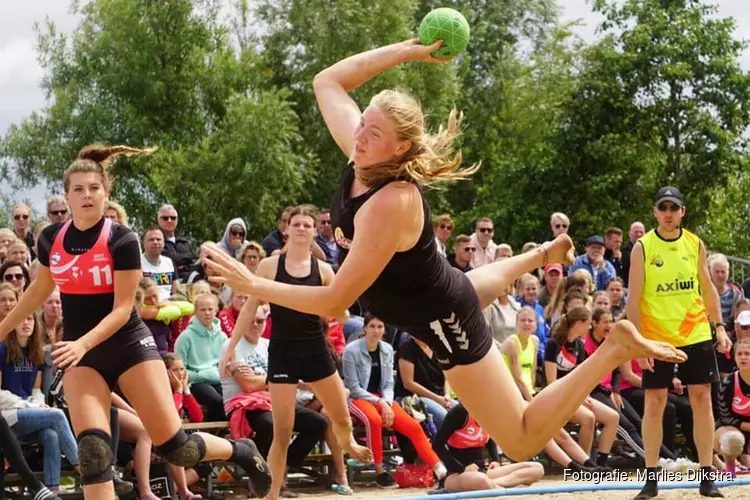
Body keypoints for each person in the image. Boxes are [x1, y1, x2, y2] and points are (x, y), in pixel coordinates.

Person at [203, 40, 685, 463]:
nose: (360, 135)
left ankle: (613, 348)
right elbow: (328, 80)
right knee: (466, 285)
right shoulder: (362, 156)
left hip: (439, 319)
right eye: (364, 123)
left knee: (519, 439)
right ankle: (540, 255)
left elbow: (334, 302)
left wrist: (254, 285)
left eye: (373, 133)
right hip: (432, 291)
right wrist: (410, 51)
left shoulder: (392, 201)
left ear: (400, 150)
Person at [0, 144, 271, 500]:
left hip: (128, 347)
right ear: (66, 196)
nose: (86, 196)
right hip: (83, 357)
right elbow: (39, 290)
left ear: (106, 192)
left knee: (177, 447)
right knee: (94, 454)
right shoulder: (51, 238)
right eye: (78, 189)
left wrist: (81, 343)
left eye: (94, 188)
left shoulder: (120, 239)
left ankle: (242, 451)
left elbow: (122, 308)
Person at [221, 206, 370, 500]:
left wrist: (339, 310)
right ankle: (272, 494)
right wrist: (230, 347)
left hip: (315, 349)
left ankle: (349, 442)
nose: (302, 228)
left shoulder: (324, 271)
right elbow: (249, 308)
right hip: (283, 352)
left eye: (307, 225)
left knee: (341, 416)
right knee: (282, 430)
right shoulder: (269, 267)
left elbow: (341, 313)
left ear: (315, 232)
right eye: (296, 224)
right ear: (286, 230)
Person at [628, 186, 731, 500]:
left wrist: (720, 327)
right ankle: (651, 479)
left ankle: (706, 477)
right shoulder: (643, 247)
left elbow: (707, 287)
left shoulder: (694, 243)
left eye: (674, 208)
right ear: (656, 212)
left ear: (682, 211)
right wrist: (639, 344)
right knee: (655, 403)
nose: (669, 213)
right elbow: (634, 299)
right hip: (658, 338)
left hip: (695, 332)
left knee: (702, 400)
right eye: (663, 208)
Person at [431, 402, 544, 493]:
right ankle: (506, 488)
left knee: (537, 468)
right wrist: (462, 468)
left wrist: (495, 459)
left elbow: (489, 437)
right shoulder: (460, 412)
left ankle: (495, 485)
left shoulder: (490, 410)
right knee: (480, 480)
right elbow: (437, 445)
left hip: (484, 472)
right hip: (457, 475)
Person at [715, 338, 750, 477]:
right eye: (739, 354)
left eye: (747, 354)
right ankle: (730, 466)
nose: (743, 357)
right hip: (730, 428)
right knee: (733, 439)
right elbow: (724, 417)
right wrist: (746, 426)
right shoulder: (728, 383)